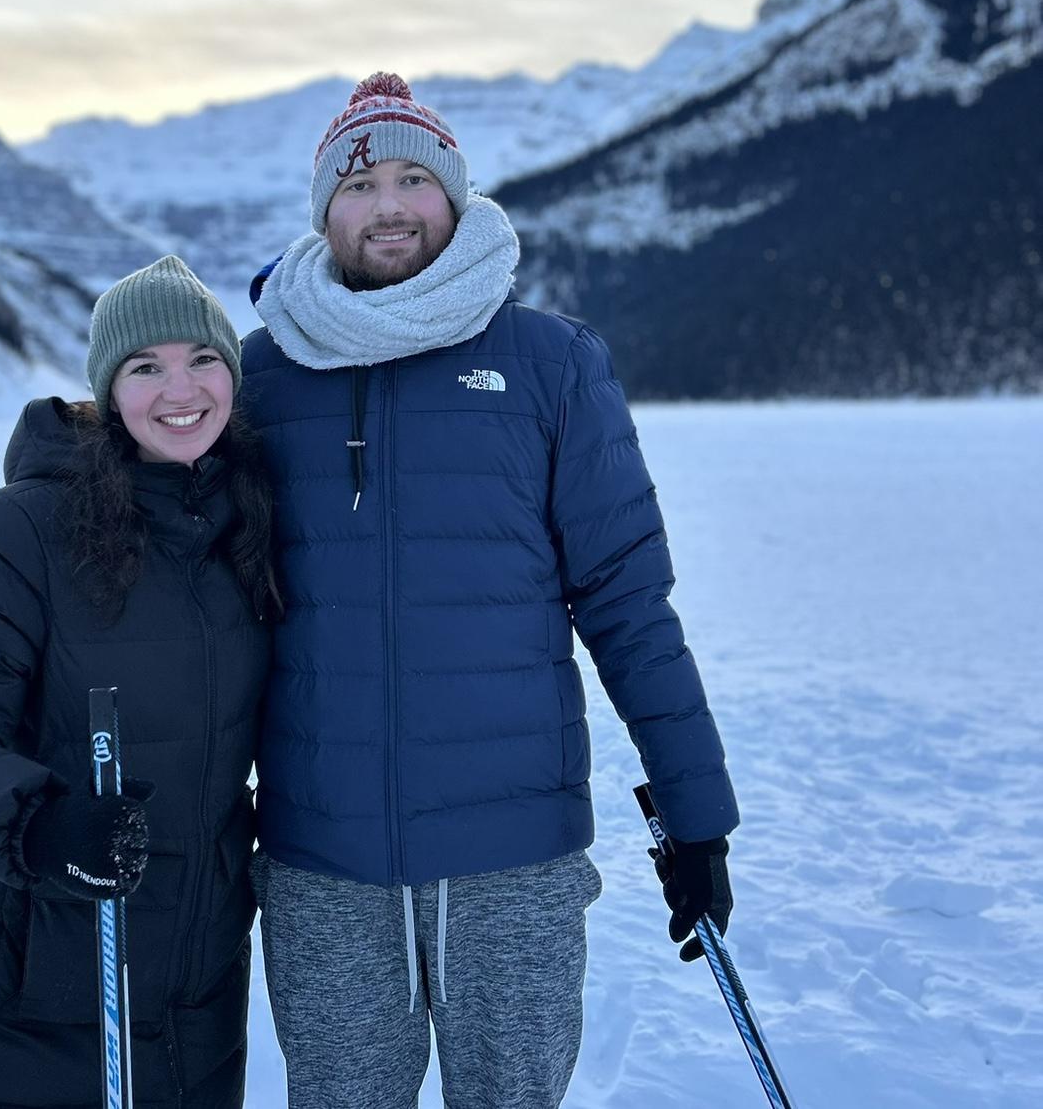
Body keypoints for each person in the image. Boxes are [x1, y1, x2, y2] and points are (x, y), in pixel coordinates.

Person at [240, 72, 739, 1109]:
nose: (389, 205)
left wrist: (697, 815)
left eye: (416, 178)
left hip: (512, 859)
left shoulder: (551, 365)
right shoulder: (262, 377)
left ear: (457, 198)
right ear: (324, 209)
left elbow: (627, 602)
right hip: (323, 860)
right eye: (361, 181)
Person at [0, 255, 274, 1109]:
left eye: (203, 359)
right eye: (146, 366)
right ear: (108, 386)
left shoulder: (247, 525)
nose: (182, 387)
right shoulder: (26, 527)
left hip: (194, 999)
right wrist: (38, 825)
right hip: (30, 992)